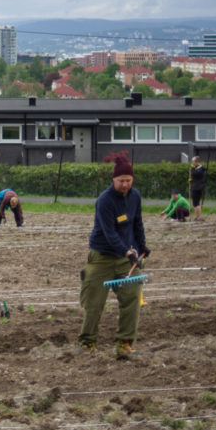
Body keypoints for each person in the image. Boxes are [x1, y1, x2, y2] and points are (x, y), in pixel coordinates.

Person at [79, 153, 149, 358]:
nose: (125, 185)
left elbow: (137, 223)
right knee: (93, 302)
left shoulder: (135, 196)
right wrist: (126, 251)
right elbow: (109, 233)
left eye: (128, 180)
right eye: (121, 181)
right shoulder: (105, 201)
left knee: (132, 297)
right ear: (113, 180)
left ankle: (124, 343)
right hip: (101, 257)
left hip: (124, 259)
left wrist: (142, 247)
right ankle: (87, 343)